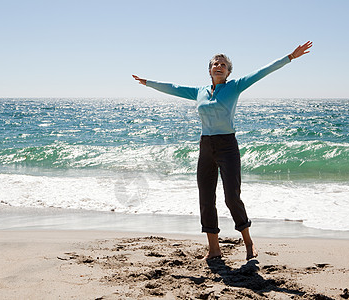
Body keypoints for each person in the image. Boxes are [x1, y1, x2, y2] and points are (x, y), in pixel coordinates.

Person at [133, 41, 313, 260]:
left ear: (228, 72)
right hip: (206, 146)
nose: (219, 66)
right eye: (215, 63)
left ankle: (248, 242)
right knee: (206, 198)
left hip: (227, 146)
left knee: (231, 197)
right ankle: (214, 248)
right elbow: (174, 88)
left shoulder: (235, 86)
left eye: (223, 64)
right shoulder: (199, 92)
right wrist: (148, 83)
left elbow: (262, 72)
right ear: (209, 70)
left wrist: (290, 57)